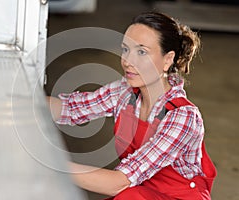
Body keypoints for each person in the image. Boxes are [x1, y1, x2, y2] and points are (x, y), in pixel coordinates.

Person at [47, 11, 216, 199]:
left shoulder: (183, 117)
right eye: (125, 49)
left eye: (142, 52)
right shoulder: (125, 93)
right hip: (140, 192)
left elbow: (118, 183)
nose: (127, 61)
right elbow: (69, 109)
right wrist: (17, 103)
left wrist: (52, 167)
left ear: (167, 59)